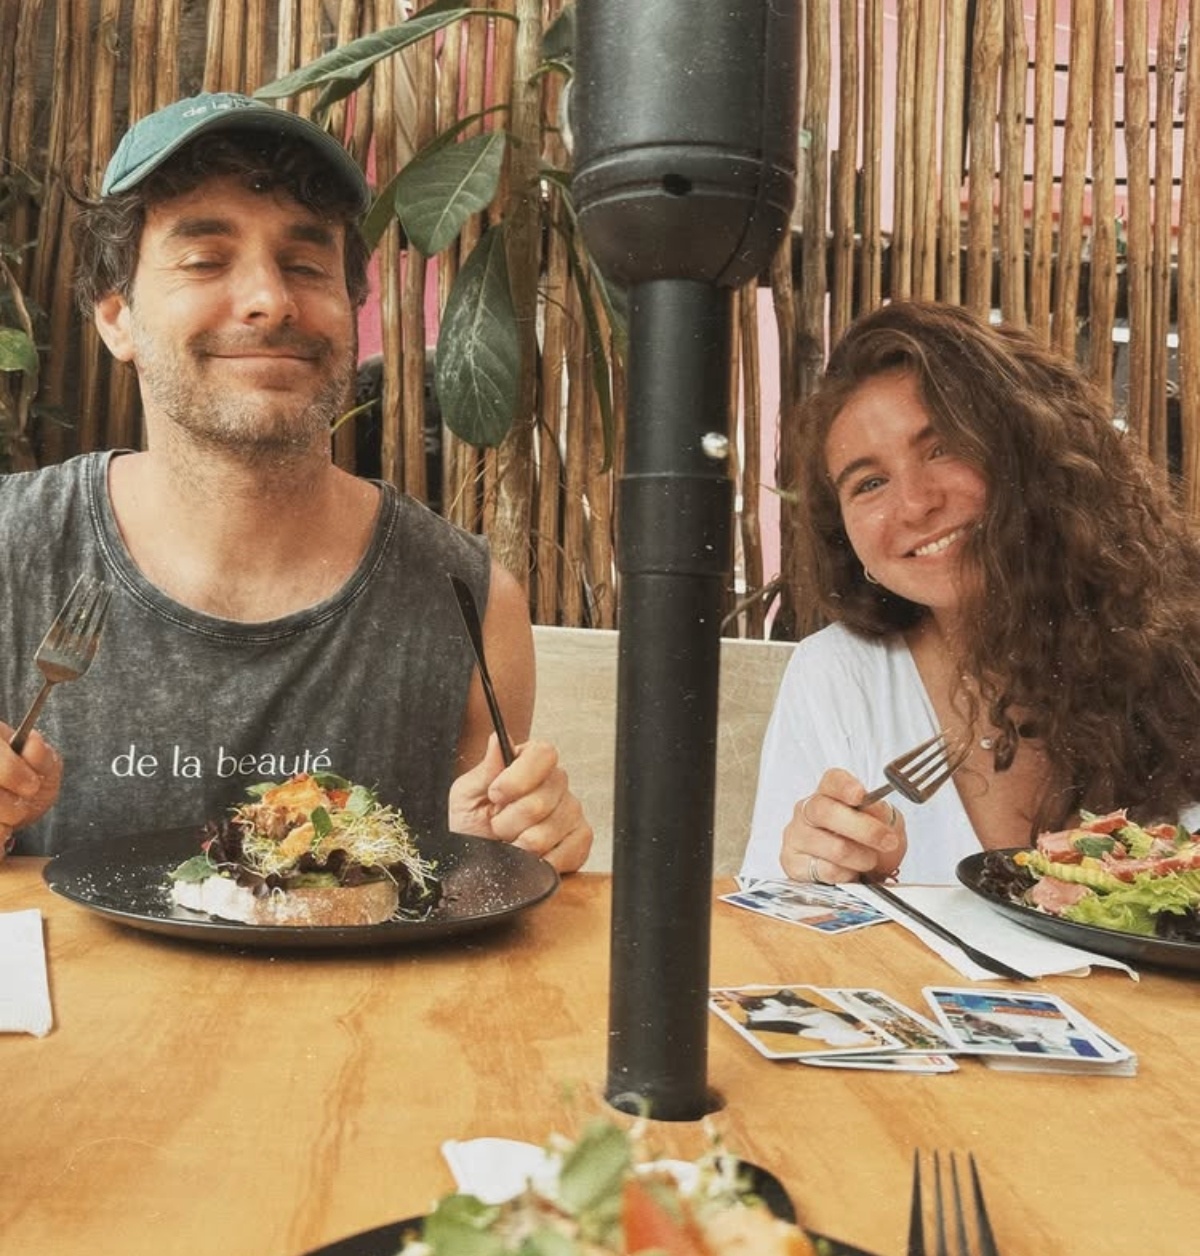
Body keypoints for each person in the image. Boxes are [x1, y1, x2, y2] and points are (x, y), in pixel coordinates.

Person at [0, 92, 592, 871]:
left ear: (350, 307)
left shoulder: (469, 604)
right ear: (117, 317)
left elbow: (471, 888)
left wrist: (504, 856)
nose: (271, 301)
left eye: (306, 265)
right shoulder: (13, 552)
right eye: (206, 260)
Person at [742, 299, 1200, 886]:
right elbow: (776, 918)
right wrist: (829, 882)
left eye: (944, 448)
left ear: (1032, 452)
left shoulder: (1181, 647)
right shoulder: (839, 676)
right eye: (870, 483)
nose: (916, 504)